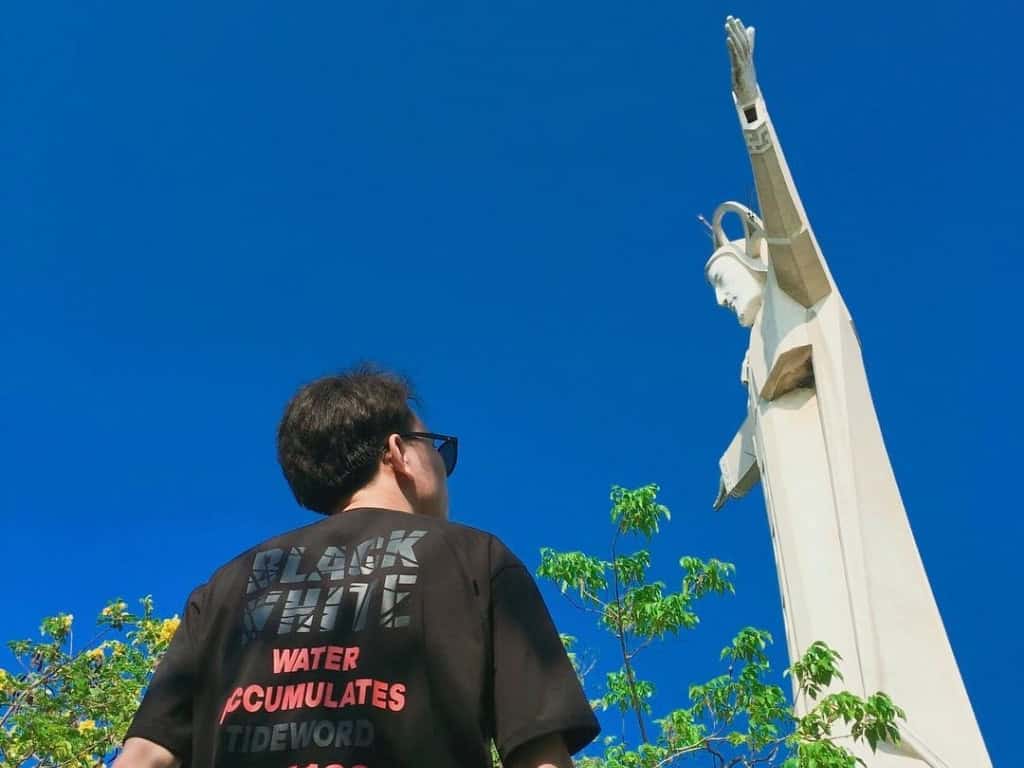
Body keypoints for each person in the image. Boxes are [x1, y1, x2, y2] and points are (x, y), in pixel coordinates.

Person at [113, 364, 600, 768]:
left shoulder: (225, 586)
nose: (443, 468)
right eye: (437, 449)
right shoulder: (477, 559)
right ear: (398, 452)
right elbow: (539, 757)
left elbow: (145, 756)